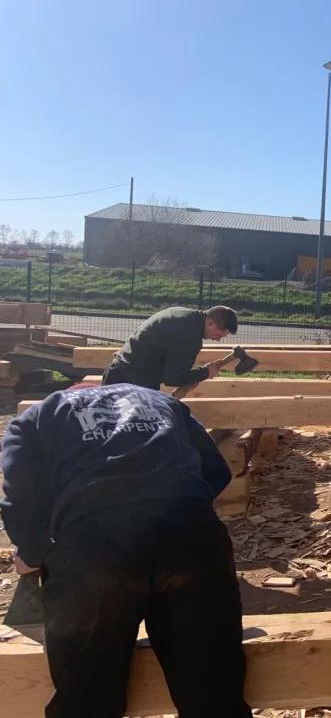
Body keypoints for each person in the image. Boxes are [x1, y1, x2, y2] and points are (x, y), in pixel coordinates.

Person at [0, 383, 252, 717]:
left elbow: (20, 494)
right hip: (192, 539)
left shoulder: (35, 418)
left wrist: (31, 553)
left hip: (93, 553)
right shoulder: (162, 403)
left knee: (86, 699)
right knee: (214, 696)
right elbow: (217, 470)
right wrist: (180, 516)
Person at [102, 305, 238, 391]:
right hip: (133, 386)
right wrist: (205, 373)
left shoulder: (180, 313)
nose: (218, 339)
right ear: (210, 323)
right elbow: (172, 378)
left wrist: (196, 375)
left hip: (117, 373)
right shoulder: (190, 336)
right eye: (219, 335)